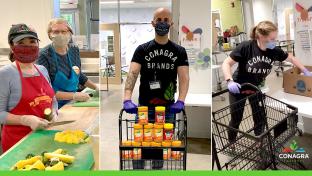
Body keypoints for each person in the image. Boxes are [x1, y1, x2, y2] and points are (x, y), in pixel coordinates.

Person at [222, 21, 312, 144]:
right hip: (238, 87)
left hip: (257, 87)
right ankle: (231, 143)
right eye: (272, 39)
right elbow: (226, 63)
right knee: (236, 118)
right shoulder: (246, 47)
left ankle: (260, 142)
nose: (275, 42)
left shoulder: (273, 50)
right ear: (261, 36)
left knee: (259, 117)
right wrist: (229, 80)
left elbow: (291, 58)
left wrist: (305, 71)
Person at [122, 8, 189, 169]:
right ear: (152, 23)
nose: (162, 23)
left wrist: (181, 100)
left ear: (171, 23)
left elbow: (184, 78)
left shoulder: (179, 51)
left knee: (160, 146)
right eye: (159, 20)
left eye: (166, 20)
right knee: (140, 145)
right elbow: (132, 74)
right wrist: (126, 98)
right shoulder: (142, 49)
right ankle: (138, 171)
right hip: (144, 107)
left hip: (168, 108)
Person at [0, 24, 58, 152]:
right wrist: (25, 120)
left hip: (45, 137)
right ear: (11, 46)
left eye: (32, 41)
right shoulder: (5, 74)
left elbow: (53, 100)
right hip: (18, 144)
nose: (28, 46)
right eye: (21, 42)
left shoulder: (42, 70)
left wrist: (54, 112)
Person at [37, 18, 98, 108]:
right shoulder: (44, 55)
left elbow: (78, 74)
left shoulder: (74, 50)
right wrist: (73, 95)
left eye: (64, 31)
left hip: (73, 103)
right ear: (50, 35)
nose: (60, 35)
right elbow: (44, 89)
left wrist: (96, 87)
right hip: (53, 105)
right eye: (56, 32)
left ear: (70, 33)